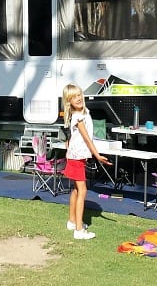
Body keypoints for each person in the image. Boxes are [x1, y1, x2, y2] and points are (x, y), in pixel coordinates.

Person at [61, 83, 111, 240]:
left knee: (76, 190)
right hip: (76, 158)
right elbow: (87, 139)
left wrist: (69, 143)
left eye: (79, 95)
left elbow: (73, 136)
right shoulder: (78, 116)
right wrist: (98, 156)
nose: (78, 98)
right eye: (74, 97)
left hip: (76, 157)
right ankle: (79, 230)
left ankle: (72, 221)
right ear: (69, 102)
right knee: (82, 191)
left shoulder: (83, 112)